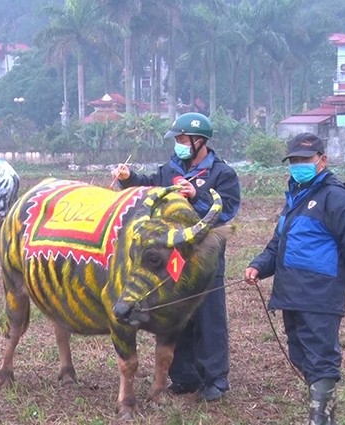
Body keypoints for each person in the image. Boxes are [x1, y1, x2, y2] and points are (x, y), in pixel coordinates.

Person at [244, 133, 345, 425]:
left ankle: (321, 419)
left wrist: (342, 283)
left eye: (305, 160)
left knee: (321, 359)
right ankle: (323, 411)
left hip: (321, 296)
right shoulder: (295, 198)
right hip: (291, 295)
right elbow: (279, 243)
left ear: (322, 160)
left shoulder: (337, 199)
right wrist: (258, 266)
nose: (298, 165)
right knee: (301, 356)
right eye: (294, 161)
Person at [111, 112, 241, 402]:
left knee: (209, 317)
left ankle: (215, 379)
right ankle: (183, 376)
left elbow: (228, 211)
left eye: (183, 139)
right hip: (171, 258)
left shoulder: (222, 174)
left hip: (203, 258)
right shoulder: (170, 168)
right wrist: (128, 178)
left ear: (199, 141)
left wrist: (197, 196)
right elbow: (149, 185)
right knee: (177, 315)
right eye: (177, 140)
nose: (179, 144)